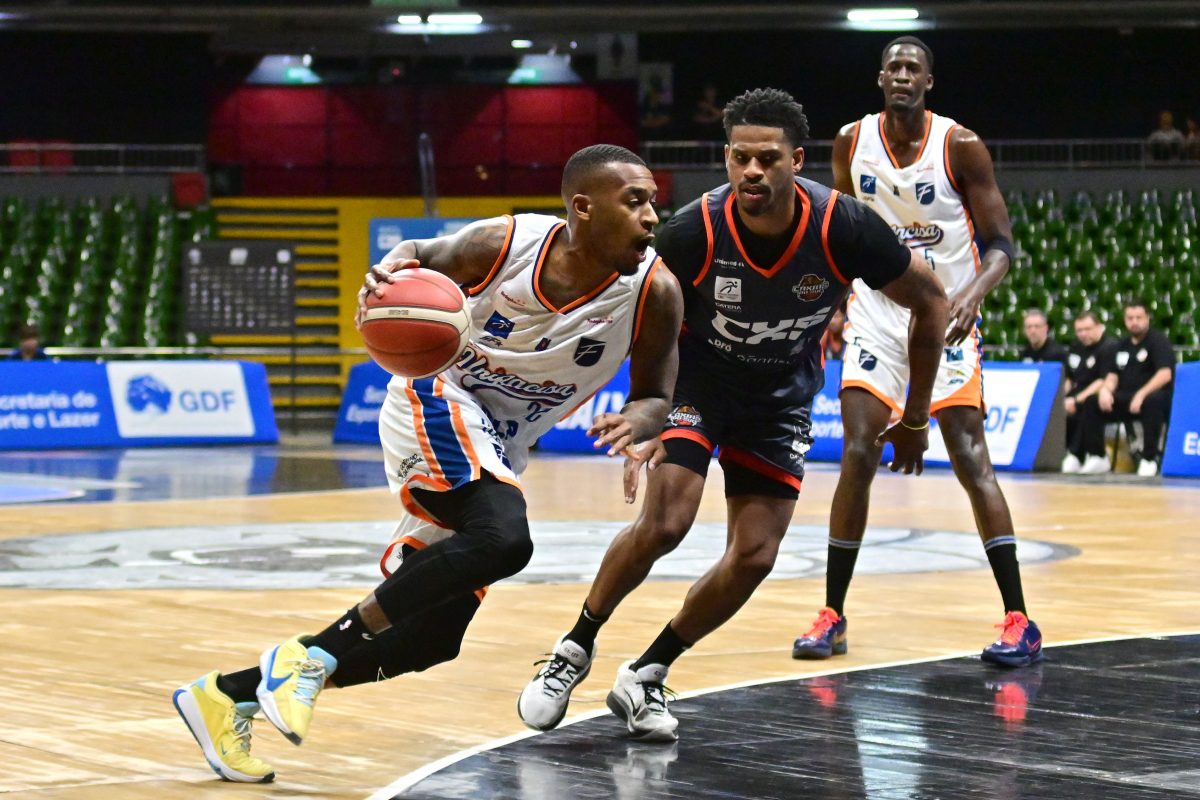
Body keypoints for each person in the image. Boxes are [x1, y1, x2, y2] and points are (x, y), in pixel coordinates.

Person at [172, 144, 685, 782]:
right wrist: (388, 270)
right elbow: (416, 253)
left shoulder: (655, 290)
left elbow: (656, 394)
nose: (651, 217)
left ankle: (227, 696)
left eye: (653, 203)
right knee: (503, 539)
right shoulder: (505, 244)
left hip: (502, 443)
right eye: (635, 202)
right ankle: (311, 659)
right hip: (440, 394)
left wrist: (639, 422)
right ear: (583, 207)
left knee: (430, 639)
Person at [518, 87, 949, 742]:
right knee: (666, 522)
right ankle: (574, 648)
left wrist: (915, 417)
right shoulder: (693, 230)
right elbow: (637, 313)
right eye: (739, 157)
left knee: (754, 556)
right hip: (701, 383)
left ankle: (647, 672)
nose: (752, 171)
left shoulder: (843, 226)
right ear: (725, 158)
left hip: (780, 398)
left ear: (796, 161)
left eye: (767, 159)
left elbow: (933, 299)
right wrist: (645, 410)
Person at [792, 36, 1043, 669]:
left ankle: (1020, 618)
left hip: (947, 317)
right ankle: (832, 615)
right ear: (880, 78)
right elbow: (840, 236)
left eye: (913, 68)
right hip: (877, 316)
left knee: (969, 454)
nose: (902, 75)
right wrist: (827, 309)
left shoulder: (960, 145)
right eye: (894, 67)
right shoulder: (851, 142)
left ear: (928, 82)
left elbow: (1002, 244)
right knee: (857, 451)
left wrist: (971, 296)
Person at [1084, 300, 1174, 477]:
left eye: (1138, 317)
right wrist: (1105, 391)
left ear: (1147, 318)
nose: (1134, 322)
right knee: (1092, 402)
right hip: (1126, 397)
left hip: (1152, 397)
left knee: (1153, 401)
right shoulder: (1121, 345)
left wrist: (1141, 394)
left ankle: (1149, 458)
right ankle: (1097, 456)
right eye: (1130, 318)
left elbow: (1165, 374)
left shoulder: (1158, 341)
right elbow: (1113, 375)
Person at [1061, 310, 1118, 474]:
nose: (1083, 334)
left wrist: (1076, 400)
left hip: (1097, 393)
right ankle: (1069, 453)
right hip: (1077, 391)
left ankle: (1085, 454)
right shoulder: (1076, 347)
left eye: (1088, 329)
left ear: (1099, 327)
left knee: (1087, 404)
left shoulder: (1109, 347)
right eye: (1079, 330)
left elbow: (1103, 380)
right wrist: (1062, 398)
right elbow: (1069, 378)